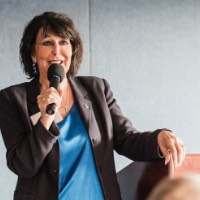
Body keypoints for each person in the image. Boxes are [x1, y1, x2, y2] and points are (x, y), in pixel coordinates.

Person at [0, 11, 185, 200]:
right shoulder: (12, 99)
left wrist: (158, 138)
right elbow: (23, 166)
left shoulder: (97, 88)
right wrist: (45, 119)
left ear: (72, 49)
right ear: (33, 53)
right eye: (47, 43)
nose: (57, 51)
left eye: (64, 42)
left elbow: (126, 138)